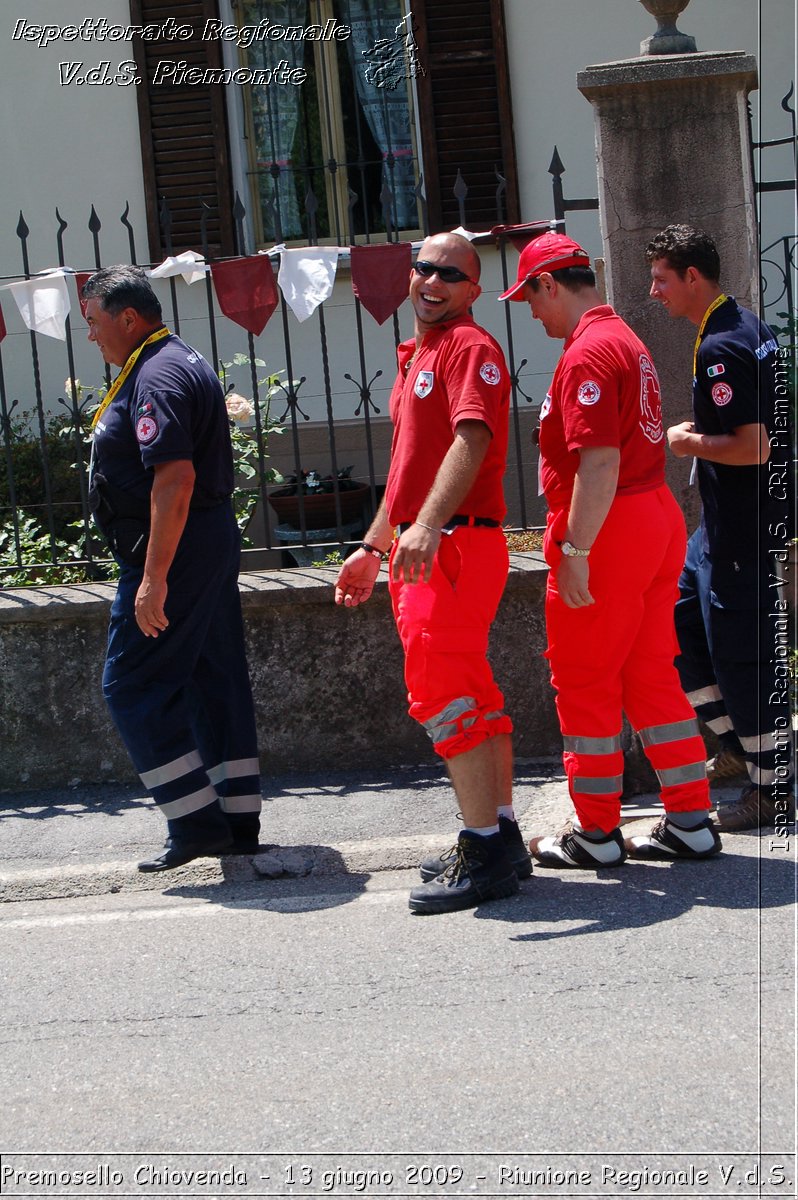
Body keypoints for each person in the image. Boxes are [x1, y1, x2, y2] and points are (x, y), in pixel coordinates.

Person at [499, 230, 720, 866]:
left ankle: (595, 833)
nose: (532, 313)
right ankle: (690, 818)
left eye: (530, 298)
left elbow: (598, 463)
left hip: (610, 526)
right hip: (653, 518)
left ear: (549, 284)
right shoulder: (623, 338)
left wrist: (575, 548)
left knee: (585, 680)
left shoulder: (588, 353)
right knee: (652, 674)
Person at [334, 232, 530, 915]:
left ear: (474, 290)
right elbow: (405, 472)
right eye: (424, 267)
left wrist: (427, 526)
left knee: (443, 697)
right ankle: (501, 837)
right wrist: (371, 545)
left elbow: (472, 439)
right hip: (432, 545)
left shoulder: (469, 347)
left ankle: (482, 852)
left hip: (449, 549)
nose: (432, 281)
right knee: (472, 693)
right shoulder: (424, 352)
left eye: (451, 273)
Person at [83, 265, 262, 871]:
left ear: (128, 318)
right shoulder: (170, 360)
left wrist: (154, 577)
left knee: (130, 686)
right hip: (199, 543)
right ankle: (236, 819)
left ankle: (194, 822)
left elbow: (175, 479)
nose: (91, 336)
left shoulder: (156, 375)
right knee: (213, 676)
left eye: (93, 321)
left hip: (175, 549)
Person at [647, 224, 793, 831]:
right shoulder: (741, 326)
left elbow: (753, 446)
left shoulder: (721, 347)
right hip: (723, 524)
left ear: (692, 278)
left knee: (742, 656)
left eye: (659, 279)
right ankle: (735, 747)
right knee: (680, 618)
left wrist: (686, 443)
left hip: (741, 524)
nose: (651, 291)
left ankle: (772, 787)